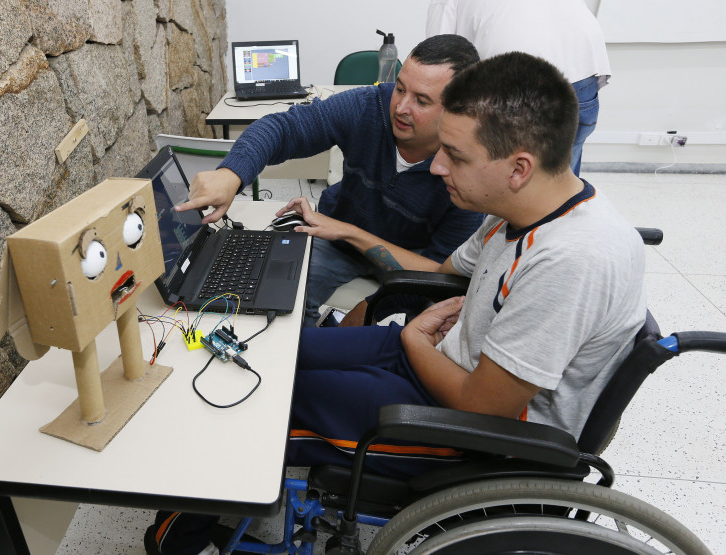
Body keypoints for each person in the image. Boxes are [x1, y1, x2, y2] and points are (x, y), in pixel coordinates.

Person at [147, 52, 647, 554]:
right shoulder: (521, 208)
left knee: (253, 398)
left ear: (518, 167)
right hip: (438, 357)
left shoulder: (572, 261)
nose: (437, 166)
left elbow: (483, 407)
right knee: (269, 352)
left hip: (469, 430)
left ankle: (175, 543)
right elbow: (444, 274)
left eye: (455, 155)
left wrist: (411, 336)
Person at [176, 35, 484, 327]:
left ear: (458, 109)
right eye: (401, 88)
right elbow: (286, 128)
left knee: (396, 336)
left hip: (409, 262)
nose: (401, 108)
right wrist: (231, 173)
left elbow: (442, 277)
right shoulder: (369, 105)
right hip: (339, 242)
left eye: (422, 101)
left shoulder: (471, 174)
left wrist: (377, 303)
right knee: (284, 294)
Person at [425, 0, 611, 176]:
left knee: (503, 179)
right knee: (561, 175)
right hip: (583, 65)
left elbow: (438, 63)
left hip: (520, 81)